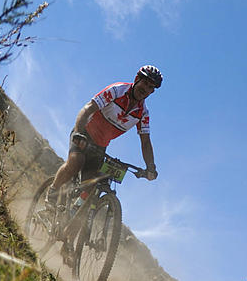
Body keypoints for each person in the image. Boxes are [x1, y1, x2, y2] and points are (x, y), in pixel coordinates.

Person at [46, 65, 162, 207]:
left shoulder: (143, 113)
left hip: (100, 146)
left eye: (151, 87)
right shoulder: (117, 90)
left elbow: (145, 142)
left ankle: (74, 213)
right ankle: (52, 193)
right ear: (137, 79)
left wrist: (150, 166)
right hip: (84, 133)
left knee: (91, 183)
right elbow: (88, 108)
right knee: (76, 161)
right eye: (145, 83)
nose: (146, 89)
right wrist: (78, 133)